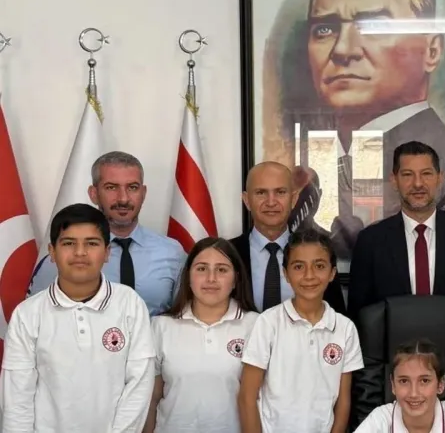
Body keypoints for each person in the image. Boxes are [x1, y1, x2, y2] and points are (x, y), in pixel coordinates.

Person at [285, 0, 445, 257]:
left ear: (431, 50)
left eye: (374, 27)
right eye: (325, 29)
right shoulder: (304, 165)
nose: (343, 50)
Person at [0, 203, 155, 432]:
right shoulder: (28, 314)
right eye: (68, 243)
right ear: (52, 252)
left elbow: (139, 384)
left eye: (91, 243)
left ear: (107, 252)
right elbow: (17, 398)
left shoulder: (130, 304)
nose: (80, 252)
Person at [348, 141, 445, 355]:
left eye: (426, 174)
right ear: (394, 180)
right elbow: (359, 315)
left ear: (440, 178)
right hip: (392, 365)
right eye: (407, 175)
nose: (418, 183)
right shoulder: (370, 241)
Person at [29, 151, 186, 316]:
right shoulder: (65, 255)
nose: (123, 199)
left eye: (132, 187)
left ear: (143, 193)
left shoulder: (172, 252)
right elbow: (37, 317)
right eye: (111, 187)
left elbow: (182, 318)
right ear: (93, 194)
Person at [237, 228, 363, 433]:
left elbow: (343, 401)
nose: (309, 276)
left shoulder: (345, 328)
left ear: (332, 273)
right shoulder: (268, 323)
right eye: (298, 267)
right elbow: (247, 397)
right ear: (285, 273)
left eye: (319, 266)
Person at [143, 237, 259, 433]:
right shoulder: (160, 326)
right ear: (188, 276)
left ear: (235, 279)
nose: (211, 278)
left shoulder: (255, 325)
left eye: (222, 270)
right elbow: (151, 398)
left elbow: (261, 398)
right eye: (202, 269)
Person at [230, 161, 346, 314]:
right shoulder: (227, 254)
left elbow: (335, 318)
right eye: (261, 193)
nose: (271, 202)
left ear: (294, 199)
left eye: (280, 192)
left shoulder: (320, 253)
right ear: (246, 200)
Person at [353, 338, 445, 432]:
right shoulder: (379, 420)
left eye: (424, 381)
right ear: (393, 385)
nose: (413, 393)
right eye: (404, 381)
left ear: (441, 384)